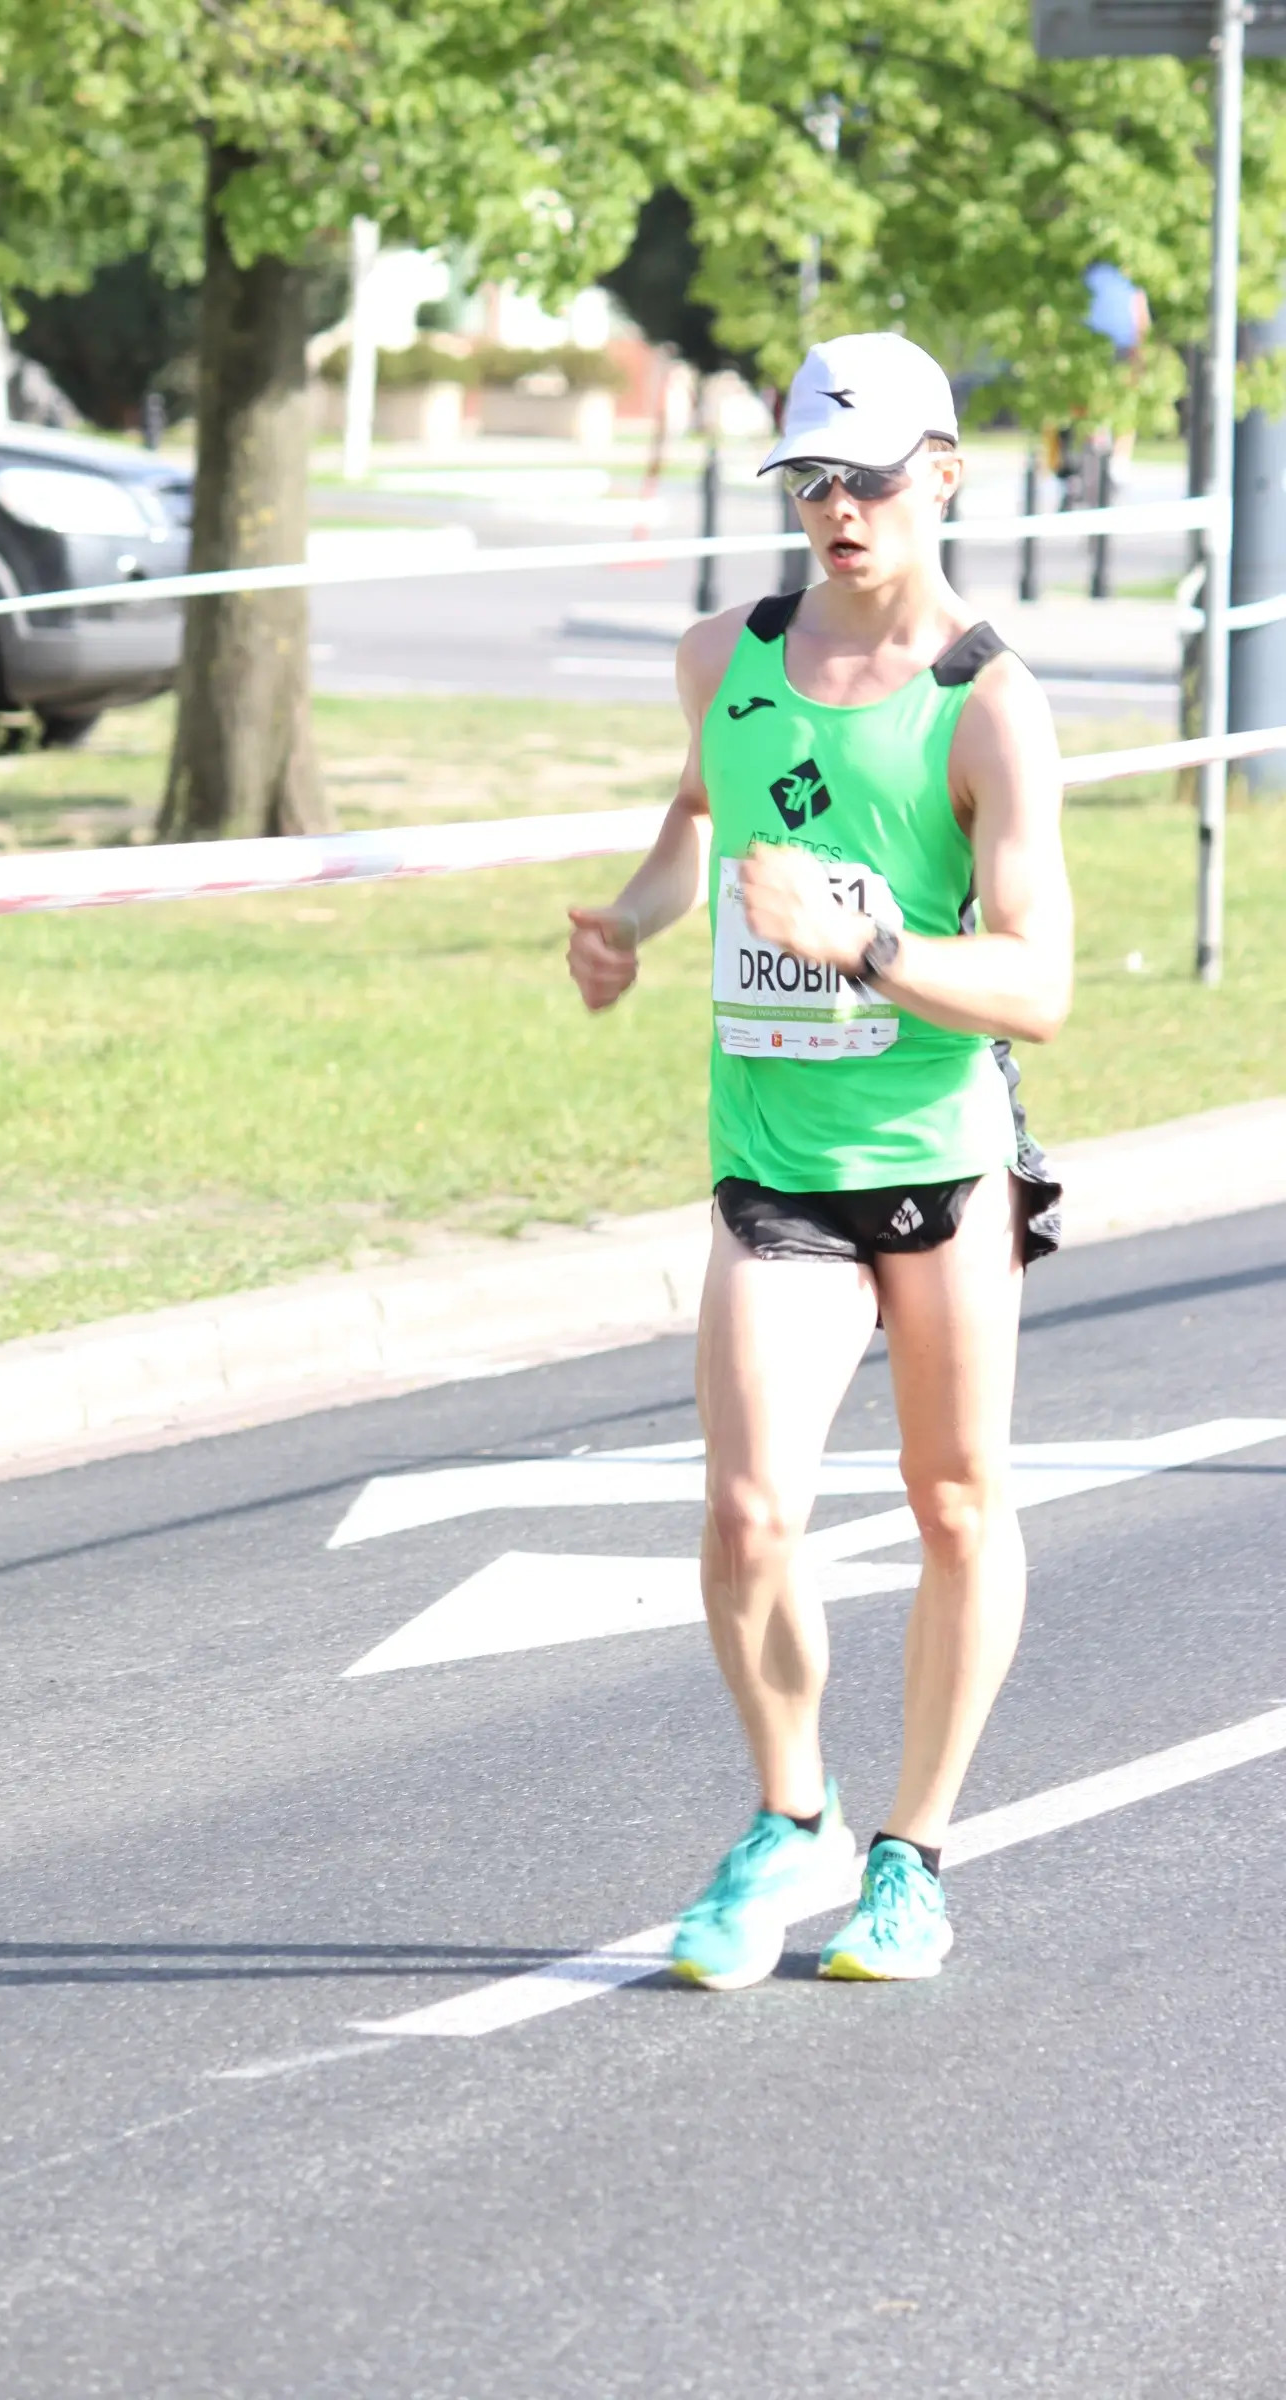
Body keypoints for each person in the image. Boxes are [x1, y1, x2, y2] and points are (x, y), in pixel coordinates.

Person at [566, 332, 1071, 1984]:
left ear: (943, 475)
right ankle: (794, 1823)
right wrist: (636, 921)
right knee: (747, 1512)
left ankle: (911, 1855)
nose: (838, 509)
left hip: (935, 1153)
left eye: (866, 477)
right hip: (773, 1155)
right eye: (809, 481)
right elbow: (701, 813)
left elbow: (1040, 986)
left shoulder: (987, 703)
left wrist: (865, 944)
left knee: (950, 1502)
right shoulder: (726, 655)